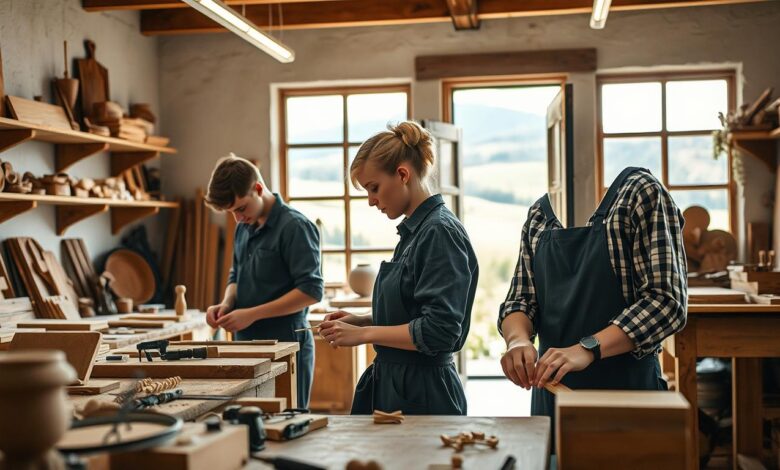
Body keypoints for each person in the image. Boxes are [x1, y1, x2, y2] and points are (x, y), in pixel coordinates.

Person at [498, 166, 687, 441]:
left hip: (624, 398)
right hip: (552, 399)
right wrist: (517, 341)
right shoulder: (538, 216)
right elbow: (520, 300)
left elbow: (667, 302)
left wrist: (588, 348)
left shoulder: (641, 193)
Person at [318, 121, 479, 415]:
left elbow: (438, 331)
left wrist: (366, 335)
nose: (371, 201)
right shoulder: (414, 232)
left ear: (403, 174)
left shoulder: (439, 232)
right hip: (399, 385)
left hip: (424, 393)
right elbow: (413, 309)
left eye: (374, 188)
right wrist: (364, 320)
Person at [204, 154, 323, 409]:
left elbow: (311, 291)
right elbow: (236, 274)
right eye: (231, 212)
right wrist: (226, 304)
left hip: (286, 344)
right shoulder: (243, 227)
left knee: (291, 422)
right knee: (249, 422)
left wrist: (252, 314)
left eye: (240, 208)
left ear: (258, 189)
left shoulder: (295, 227)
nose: (237, 218)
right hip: (245, 344)